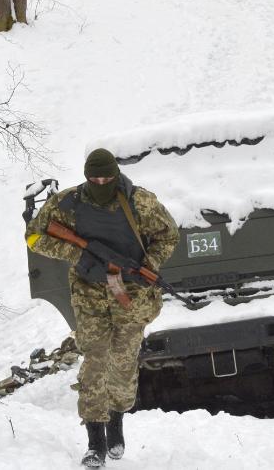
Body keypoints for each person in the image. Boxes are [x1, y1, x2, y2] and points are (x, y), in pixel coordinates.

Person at [25, 148, 178, 467]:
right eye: (94, 178)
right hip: (88, 291)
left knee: (122, 362)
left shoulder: (140, 201)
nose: (101, 182)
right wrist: (77, 254)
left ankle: (116, 426)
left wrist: (147, 264)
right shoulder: (67, 203)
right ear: (85, 176)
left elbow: (169, 235)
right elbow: (33, 236)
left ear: (116, 174)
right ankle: (95, 441)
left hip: (131, 294)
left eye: (107, 177)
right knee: (96, 360)